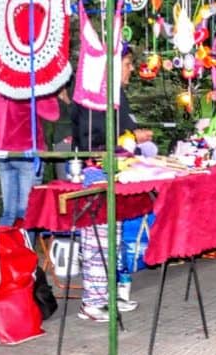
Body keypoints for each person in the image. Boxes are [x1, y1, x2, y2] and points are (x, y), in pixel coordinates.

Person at [69, 47, 148, 322]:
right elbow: (96, 139)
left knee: (113, 235)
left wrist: (133, 138)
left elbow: (123, 131)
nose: (131, 69)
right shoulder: (93, 96)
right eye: (127, 63)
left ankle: (111, 294)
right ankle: (92, 302)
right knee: (97, 239)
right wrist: (133, 137)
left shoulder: (116, 94)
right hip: (95, 171)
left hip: (116, 170)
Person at [0, 85, 68, 227]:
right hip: (26, 151)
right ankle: (24, 241)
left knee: (8, 213)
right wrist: (51, 92)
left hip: (1, 151)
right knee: (27, 212)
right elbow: (52, 113)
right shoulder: (30, 85)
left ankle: (3, 241)